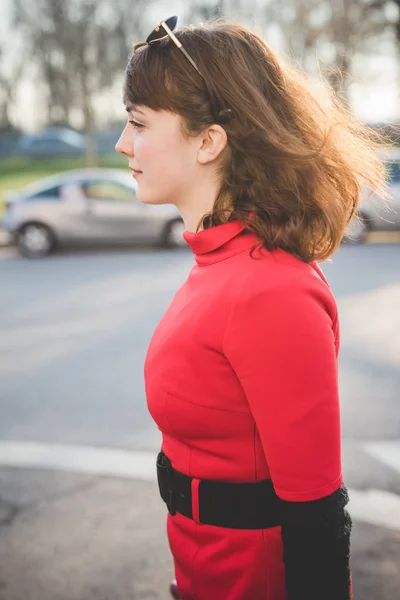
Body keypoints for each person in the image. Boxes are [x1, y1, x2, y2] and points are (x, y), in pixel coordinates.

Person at [115, 16, 386, 600]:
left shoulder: (271, 291)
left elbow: (316, 513)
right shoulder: (218, 261)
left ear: (209, 141)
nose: (122, 143)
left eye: (138, 122)